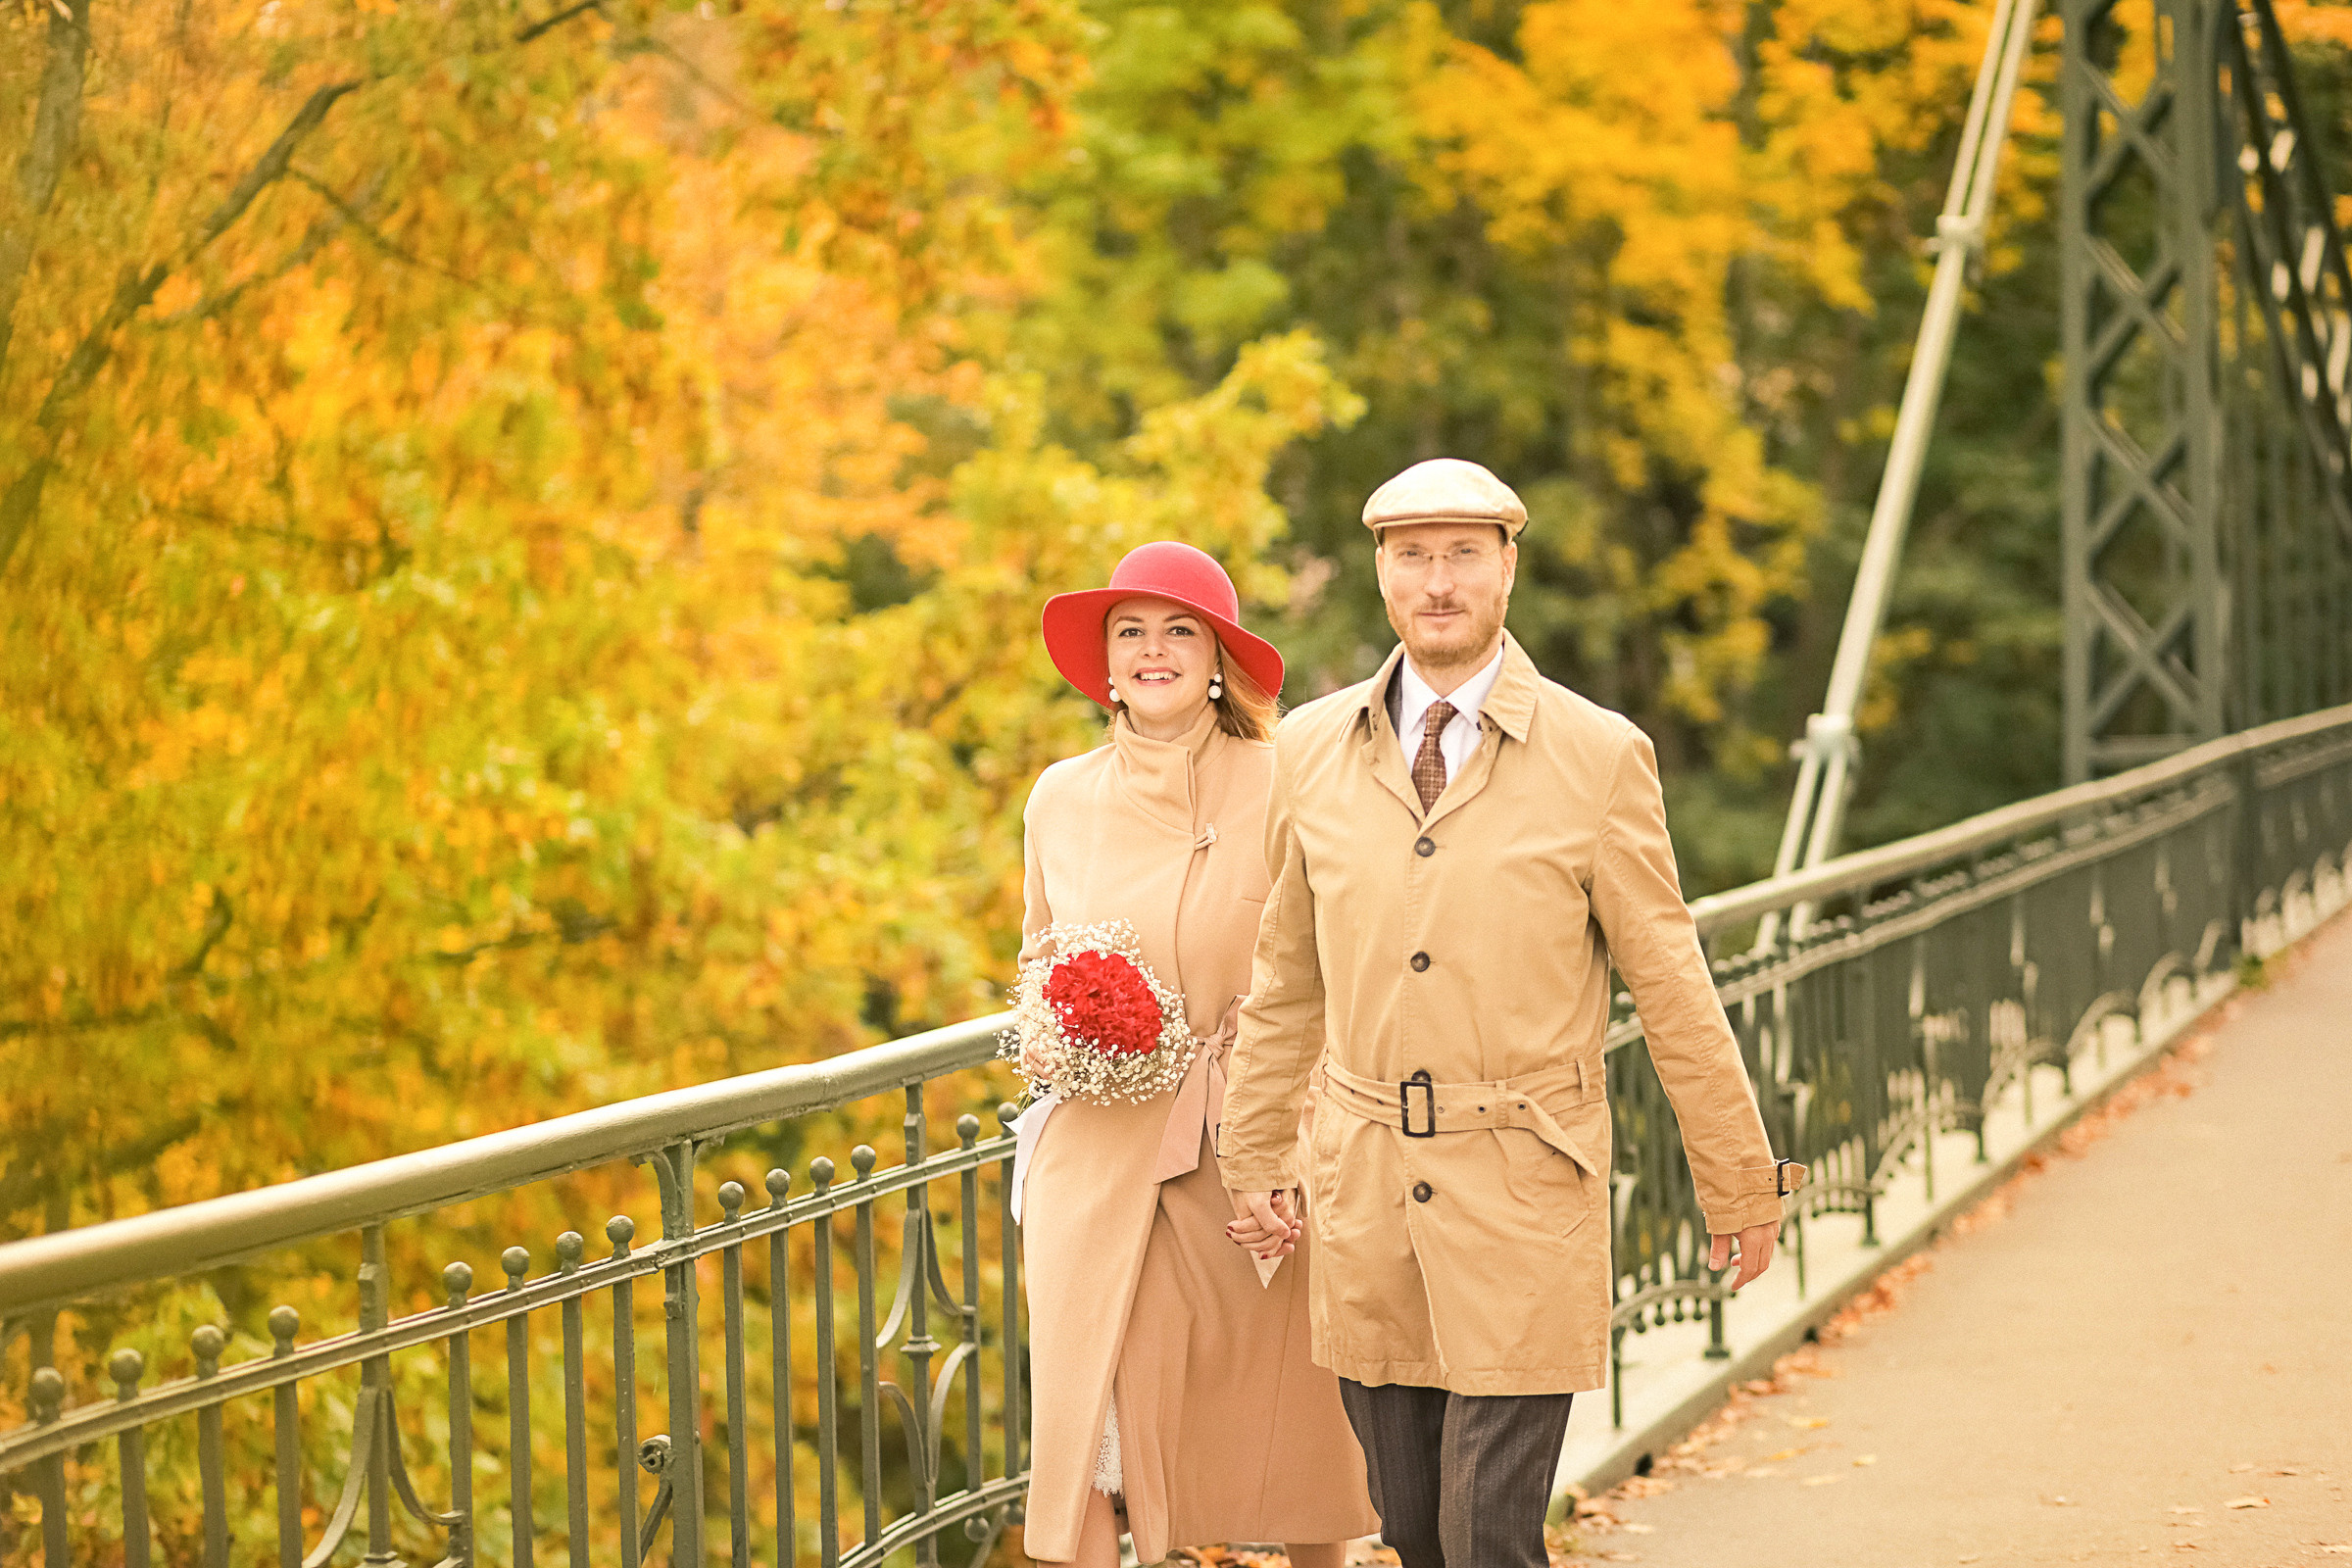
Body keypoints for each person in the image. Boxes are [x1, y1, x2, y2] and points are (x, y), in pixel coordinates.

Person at [1216, 460, 1804, 1568]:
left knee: (1488, 1536)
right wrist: (1253, 1149)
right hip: (1369, 1197)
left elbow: (1670, 979)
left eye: (1463, 555)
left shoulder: (1598, 755)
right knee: (1413, 1530)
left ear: (1508, 567)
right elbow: (1287, 971)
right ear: (1383, 573)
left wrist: (1737, 1174)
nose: (1438, 582)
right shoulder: (1308, 749)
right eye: (1412, 557)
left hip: (1527, 1191)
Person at [1012, 541, 1378, 1568]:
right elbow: (1039, 958)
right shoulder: (1059, 797)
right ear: (1106, 663)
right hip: (1100, 1149)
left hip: (1256, 1138)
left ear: (1218, 659)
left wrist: (1298, 1135)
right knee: (1095, 1421)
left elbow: (1337, 963)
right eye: (1130, 631)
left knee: (1293, 1422)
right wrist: (1073, 1023)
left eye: (1179, 629)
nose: (1152, 650)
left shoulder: (1287, 780)